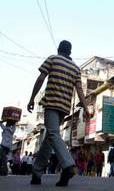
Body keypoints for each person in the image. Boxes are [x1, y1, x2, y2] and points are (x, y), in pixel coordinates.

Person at [27, 40, 89, 186]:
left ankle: (68, 165)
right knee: (49, 138)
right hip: (64, 108)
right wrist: (86, 108)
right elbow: (79, 89)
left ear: (59, 49)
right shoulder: (75, 68)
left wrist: (32, 99)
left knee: (53, 134)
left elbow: (41, 78)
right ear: (70, 52)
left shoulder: (52, 59)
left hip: (51, 104)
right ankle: (36, 173)